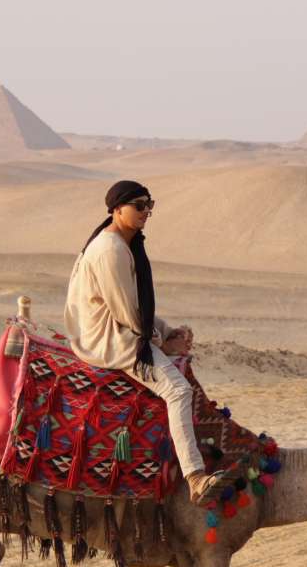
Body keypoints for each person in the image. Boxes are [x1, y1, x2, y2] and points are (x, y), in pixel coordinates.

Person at [63, 180, 230, 504]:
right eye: (139, 206)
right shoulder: (110, 249)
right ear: (116, 209)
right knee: (178, 389)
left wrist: (167, 331)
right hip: (107, 339)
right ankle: (195, 477)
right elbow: (126, 312)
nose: (146, 212)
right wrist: (162, 345)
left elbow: (135, 306)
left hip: (120, 328)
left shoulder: (121, 244)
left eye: (149, 205)